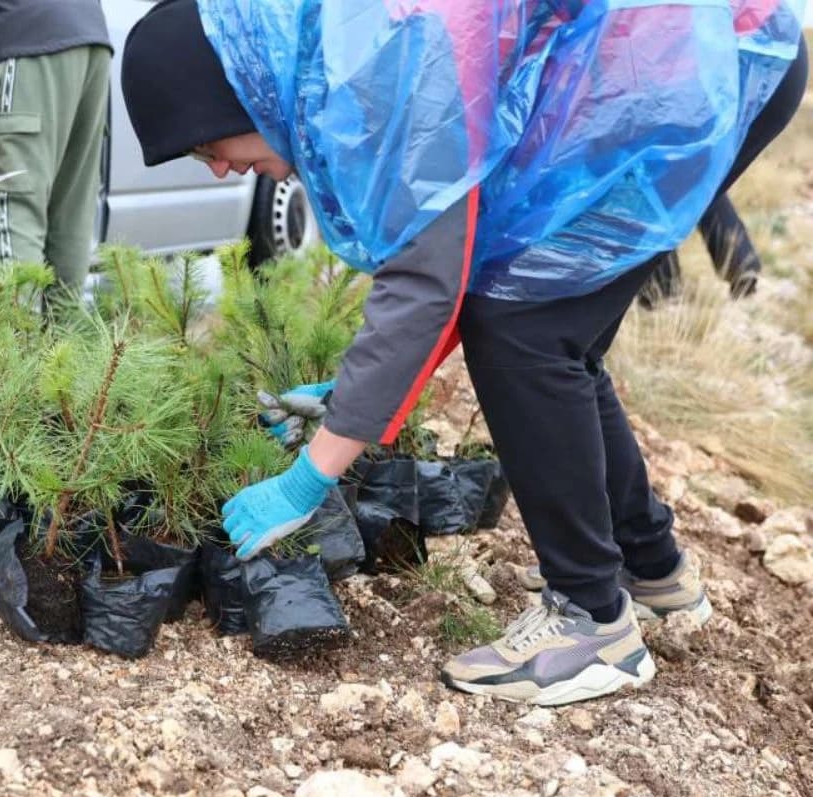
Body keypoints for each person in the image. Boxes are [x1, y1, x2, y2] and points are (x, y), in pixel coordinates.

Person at [121, 0, 807, 705]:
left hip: (701, 63)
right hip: (705, 51)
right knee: (545, 333)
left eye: (208, 148)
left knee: (528, 335)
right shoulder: (340, 51)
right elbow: (459, 266)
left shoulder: (384, 68)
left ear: (240, 89)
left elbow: (428, 282)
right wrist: (353, 398)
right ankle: (652, 571)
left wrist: (310, 476)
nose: (219, 172)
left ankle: (592, 624)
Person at [0, 0, 112, 304]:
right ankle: (67, 346)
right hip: (92, 37)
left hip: (29, 39)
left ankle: (18, 346)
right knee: (71, 211)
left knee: (16, 216)